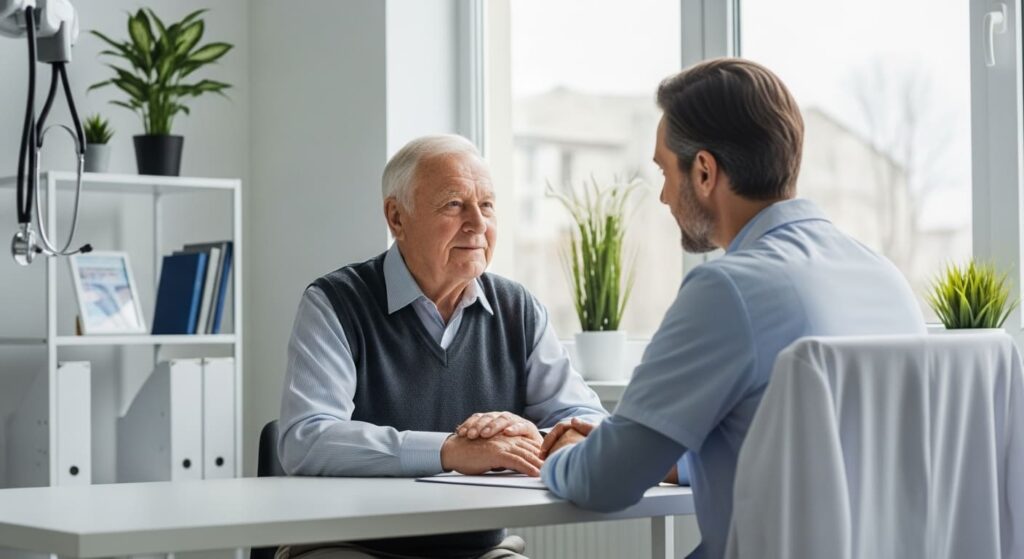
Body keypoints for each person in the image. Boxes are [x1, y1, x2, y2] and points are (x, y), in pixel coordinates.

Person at [539, 58, 926, 559]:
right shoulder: (885, 278)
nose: (662, 195)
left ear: (703, 171)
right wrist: (680, 459)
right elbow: (820, 464)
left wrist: (565, 454)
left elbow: (602, 483)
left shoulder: (728, 290)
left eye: (663, 170)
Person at [277, 134, 607, 559]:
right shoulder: (335, 302)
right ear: (397, 218)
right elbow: (305, 439)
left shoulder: (517, 308)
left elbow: (587, 423)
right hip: (348, 546)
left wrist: (534, 436)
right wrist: (450, 451)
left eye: (486, 205)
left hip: (478, 551)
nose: (477, 223)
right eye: (454, 205)